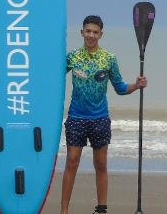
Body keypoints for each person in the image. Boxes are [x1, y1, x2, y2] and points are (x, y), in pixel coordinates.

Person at [61, 15, 148, 214]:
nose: (91, 35)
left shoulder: (108, 58)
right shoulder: (72, 57)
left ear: (101, 35)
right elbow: (55, 77)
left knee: (100, 164)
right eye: (88, 31)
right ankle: (64, 210)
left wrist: (136, 85)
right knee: (72, 161)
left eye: (95, 32)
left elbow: (119, 87)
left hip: (100, 118)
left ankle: (101, 210)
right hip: (76, 117)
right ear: (82, 32)